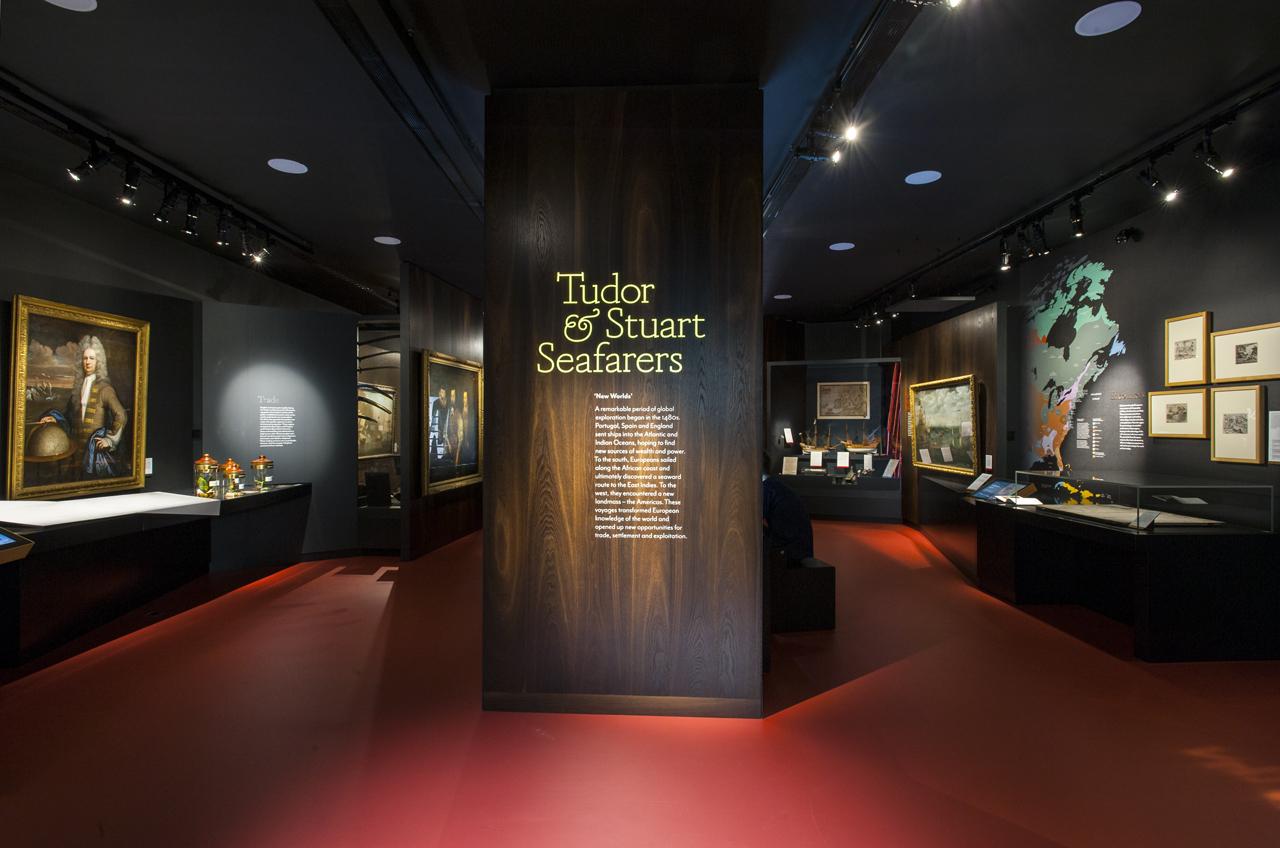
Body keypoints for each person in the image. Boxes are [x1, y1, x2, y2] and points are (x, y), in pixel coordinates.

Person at [38, 336, 126, 478]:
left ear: (99, 362)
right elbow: (69, 417)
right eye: (85, 358)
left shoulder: (105, 389)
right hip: (76, 451)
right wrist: (55, 418)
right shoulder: (78, 388)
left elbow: (121, 414)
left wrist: (109, 440)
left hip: (95, 454)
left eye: (92, 358)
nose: (88, 362)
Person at [762, 452, 814, 563]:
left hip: (790, 551)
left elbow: (754, 519)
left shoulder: (766, 488)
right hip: (800, 547)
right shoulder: (775, 486)